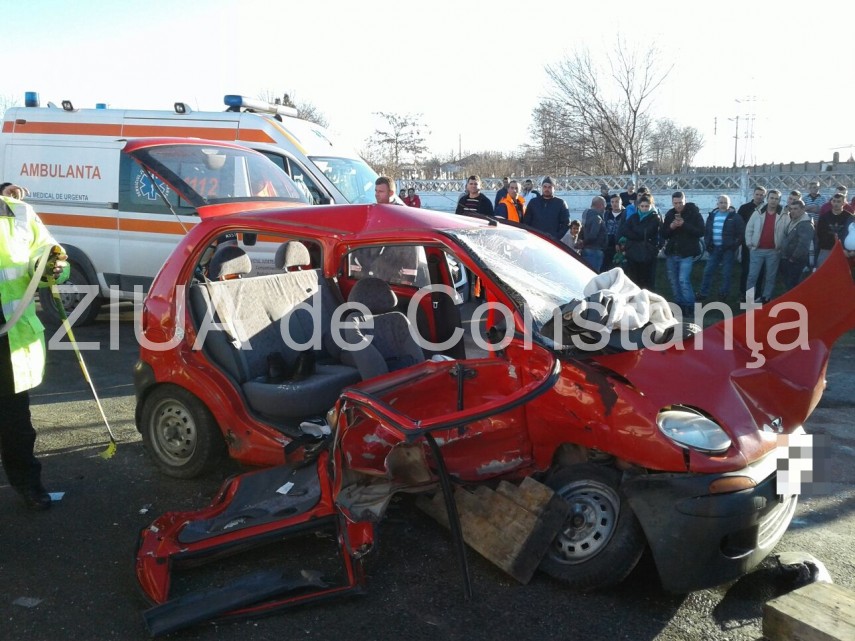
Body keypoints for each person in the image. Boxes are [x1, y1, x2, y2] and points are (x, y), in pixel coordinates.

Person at [1, 188, 69, 510]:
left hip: (10, 338)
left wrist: (51, 268)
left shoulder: (18, 212)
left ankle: (28, 485)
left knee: (15, 423)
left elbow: (51, 257)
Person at [660, 191, 704, 315]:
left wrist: (684, 225)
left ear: (685, 200)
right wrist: (671, 227)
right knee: (674, 281)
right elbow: (663, 234)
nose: (678, 205)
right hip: (672, 252)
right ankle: (679, 305)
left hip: (687, 252)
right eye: (675, 203)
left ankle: (689, 306)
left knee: (683, 280)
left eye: (680, 202)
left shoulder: (694, 213)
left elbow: (701, 231)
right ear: (672, 202)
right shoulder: (670, 214)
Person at [698, 195, 745, 303]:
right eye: (721, 202)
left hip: (728, 250)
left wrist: (733, 245)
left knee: (726, 273)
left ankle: (723, 293)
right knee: (708, 271)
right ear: (717, 204)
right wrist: (708, 243)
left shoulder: (735, 217)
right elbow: (707, 231)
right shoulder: (712, 216)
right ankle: (703, 293)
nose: (723, 205)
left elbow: (741, 234)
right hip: (714, 249)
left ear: (729, 204)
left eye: (725, 202)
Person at [745, 189, 787, 303]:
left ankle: (766, 298)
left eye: (776, 199)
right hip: (757, 250)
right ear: (767, 199)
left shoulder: (784, 214)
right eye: (771, 198)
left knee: (770, 277)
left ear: (779, 200)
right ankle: (749, 300)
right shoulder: (758, 212)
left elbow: (787, 232)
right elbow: (749, 228)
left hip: (774, 251)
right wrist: (749, 243)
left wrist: (781, 246)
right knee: (752, 276)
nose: (773, 201)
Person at [621, 195, 661, 289]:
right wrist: (637, 234)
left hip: (647, 253)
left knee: (647, 280)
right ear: (638, 206)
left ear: (651, 206)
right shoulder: (634, 217)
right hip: (633, 252)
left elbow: (646, 232)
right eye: (642, 206)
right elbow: (624, 230)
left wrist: (633, 232)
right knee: (633, 279)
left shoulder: (655, 218)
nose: (644, 208)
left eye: (647, 206)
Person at [778, 199, 815, 291]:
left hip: (796, 261)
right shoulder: (794, 220)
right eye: (791, 209)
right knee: (788, 284)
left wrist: (793, 258)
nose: (792, 211)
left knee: (793, 286)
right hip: (787, 258)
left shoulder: (805, 224)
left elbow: (803, 244)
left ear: (803, 209)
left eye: (795, 209)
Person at [736, 186, 767, 295]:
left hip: (762, 244)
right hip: (747, 244)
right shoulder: (744, 208)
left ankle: (757, 294)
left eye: (761, 195)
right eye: (757, 194)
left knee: (760, 270)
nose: (759, 197)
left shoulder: (767, 208)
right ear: (753, 194)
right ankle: (744, 294)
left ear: (765, 196)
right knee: (746, 269)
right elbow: (739, 225)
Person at [522, 177, 569, 242]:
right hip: (535, 239)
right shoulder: (533, 202)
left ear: (554, 188)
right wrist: (531, 235)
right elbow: (526, 221)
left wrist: (556, 237)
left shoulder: (560, 203)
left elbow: (566, 223)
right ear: (542, 188)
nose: (547, 189)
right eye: (545, 187)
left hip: (552, 241)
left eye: (549, 187)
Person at [816, 192, 855, 267]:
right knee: (822, 267)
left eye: (838, 201)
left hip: (845, 250)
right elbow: (820, 233)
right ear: (831, 202)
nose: (836, 204)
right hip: (827, 248)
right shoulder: (824, 217)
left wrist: (845, 249)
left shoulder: (849, 217)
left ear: (844, 203)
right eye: (834, 201)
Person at [578, 196, 608, 272]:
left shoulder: (586, 216)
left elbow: (581, 230)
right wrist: (583, 242)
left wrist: (582, 242)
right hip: (595, 250)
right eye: (604, 207)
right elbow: (593, 235)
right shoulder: (597, 218)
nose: (604, 209)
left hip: (586, 250)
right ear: (601, 205)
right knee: (593, 273)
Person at [803, 181, 826, 269]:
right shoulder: (805, 198)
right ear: (809, 188)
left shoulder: (823, 198)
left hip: (818, 225)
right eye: (812, 187)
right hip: (807, 225)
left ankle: (814, 265)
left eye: (816, 187)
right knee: (806, 244)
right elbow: (802, 209)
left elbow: (819, 209)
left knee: (816, 245)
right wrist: (814, 207)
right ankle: (806, 264)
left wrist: (808, 208)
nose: (814, 189)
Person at [603, 194, 626, 271]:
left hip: (620, 245)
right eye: (612, 202)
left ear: (621, 202)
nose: (614, 204)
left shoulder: (625, 214)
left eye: (616, 201)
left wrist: (620, 243)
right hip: (607, 244)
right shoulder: (607, 214)